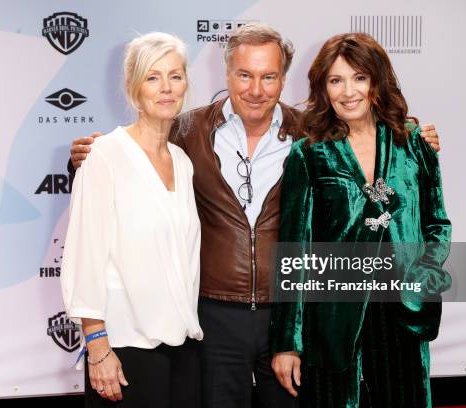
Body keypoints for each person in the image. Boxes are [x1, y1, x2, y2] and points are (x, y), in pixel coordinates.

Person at [68, 24, 442, 408]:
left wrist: (416, 138)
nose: (256, 89)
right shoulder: (187, 131)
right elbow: (132, 162)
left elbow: (375, 157)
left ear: (284, 79)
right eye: (244, 75)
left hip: (289, 316)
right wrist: (84, 157)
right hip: (212, 317)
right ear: (226, 74)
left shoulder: (310, 136)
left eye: (269, 77)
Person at [270, 32, 452, 407]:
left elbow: (437, 223)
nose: (347, 91)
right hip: (334, 320)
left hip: (403, 312)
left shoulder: (413, 142)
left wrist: (425, 272)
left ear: (376, 82)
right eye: (336, 80)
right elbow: (295, 253)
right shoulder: (310, 154)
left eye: (359, 78)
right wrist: (288, 342)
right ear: (323, 87)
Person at [60, 32, 202, 408]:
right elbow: (84, 256)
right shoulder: (104, 155)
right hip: (124, 350)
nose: (166, 88)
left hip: (182, 347)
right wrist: (97, 347)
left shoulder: (183, 162)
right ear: (132, 86)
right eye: (153, 77)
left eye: (175, 75)